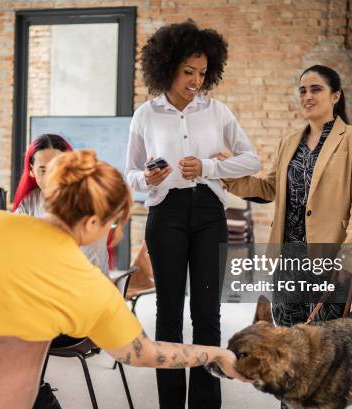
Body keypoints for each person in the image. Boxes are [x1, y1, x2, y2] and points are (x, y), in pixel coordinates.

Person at [0, 150, 243, 409]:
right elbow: (143, 353)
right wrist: (216, 353)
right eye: (111, 223)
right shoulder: (87, 287)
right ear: (93, 223)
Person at [223, 65, 352, 406]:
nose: (307, 96)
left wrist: (350, 257)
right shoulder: (289, 141)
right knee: (286, 349)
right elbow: (268, 187)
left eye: (316, 89)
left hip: (329, 260)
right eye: (303, 90)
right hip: (287, 260)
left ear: (335, 96)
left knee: (324, 352)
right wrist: (226, 172)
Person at [126, 20, 261, 409]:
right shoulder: (145, 115)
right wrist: (149, 176)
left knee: (207, 315)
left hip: (207, 214)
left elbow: (250, 160)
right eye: (188, 72)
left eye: (202, 73)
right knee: (167, 314)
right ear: (167, 67)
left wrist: (207, 167)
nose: (196, 81)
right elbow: (129, 174)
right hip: (164, 215)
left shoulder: (217, 112)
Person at [13, 133, 109, 277]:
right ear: (32, 170)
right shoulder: (29, 202)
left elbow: (84, 264)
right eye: (43, 169)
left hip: (83, 286)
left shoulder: (87, 203)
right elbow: (14, 241)